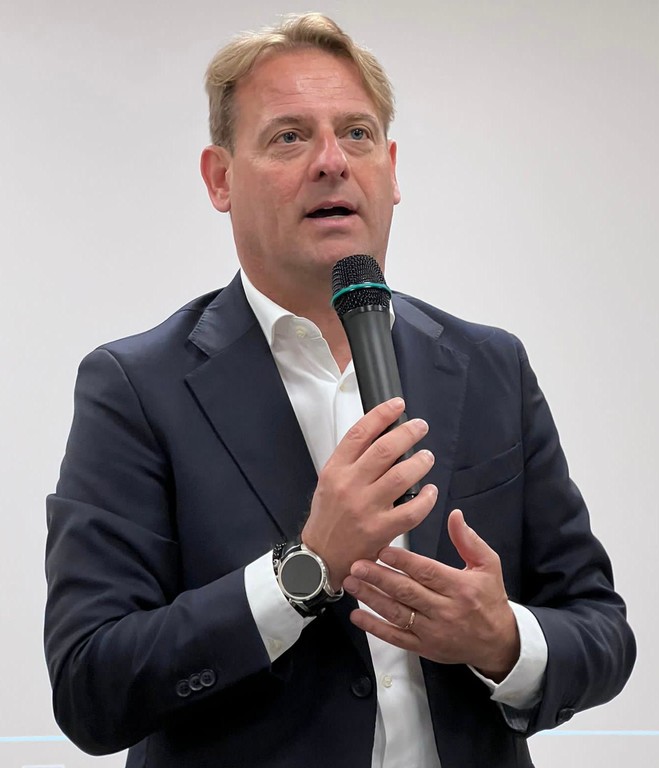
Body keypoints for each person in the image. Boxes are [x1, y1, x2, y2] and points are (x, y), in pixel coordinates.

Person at [44, 13, 635, 768]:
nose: (331, 161)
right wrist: (306, 568)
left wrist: (501, 640)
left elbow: (600, 632)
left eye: (356, 133)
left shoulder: (490, 366)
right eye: (289, 137)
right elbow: (91, 689)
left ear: (391, 167)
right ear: (220, 178)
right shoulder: (135, 388)